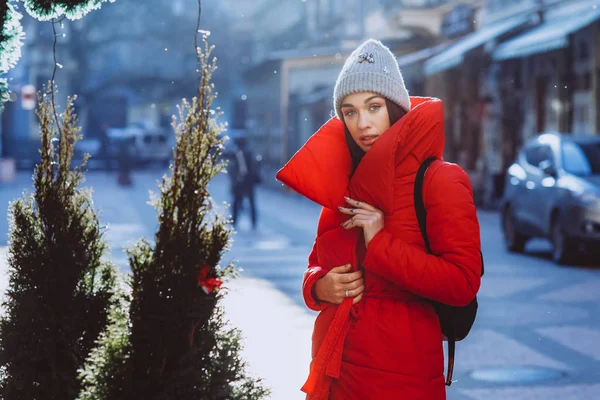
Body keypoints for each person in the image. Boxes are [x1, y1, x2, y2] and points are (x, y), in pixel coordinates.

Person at [276, 39, 483, 399]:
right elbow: (317, 265)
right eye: (350, 111)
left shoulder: (440, 180)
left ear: (395, 108)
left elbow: (462, 283)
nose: (363, 123)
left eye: (374, 107)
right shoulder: (345, 182)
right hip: (334, 373)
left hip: (399, 378)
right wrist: (318, 286)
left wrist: (380, 242)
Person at [229, 136, 261, 230]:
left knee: (239, 203)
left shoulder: (238, 154)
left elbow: (232, 170)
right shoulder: (248, 153)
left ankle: (236, 221)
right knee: (245, 202)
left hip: (244, 182)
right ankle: (250, 222)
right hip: (246, 182)